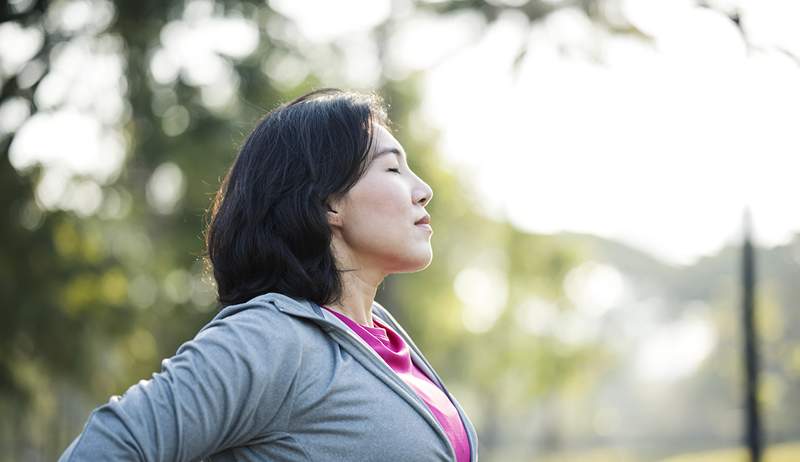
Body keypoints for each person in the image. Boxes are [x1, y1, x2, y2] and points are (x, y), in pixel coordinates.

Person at [58, 88, 478, 461]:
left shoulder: (384, 335)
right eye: (392, 169)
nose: (423, 189)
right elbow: (114, 443)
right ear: (328, 202)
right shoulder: (274, 338)